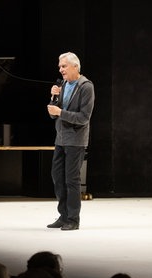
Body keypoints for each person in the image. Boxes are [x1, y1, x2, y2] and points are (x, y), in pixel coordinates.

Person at [46, 51, 95, 231]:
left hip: (76, 140)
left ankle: (73, 219)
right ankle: (63, 215)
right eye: (60, 66)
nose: (60, 70)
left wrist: (60, 113)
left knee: (71, 180)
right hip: (60, 138)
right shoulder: (63, 84)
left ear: (75, 66)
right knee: (57, 177)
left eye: (64, 66)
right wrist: (53, 99)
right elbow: (53, 115)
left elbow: (83, 118)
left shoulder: (86, 86)